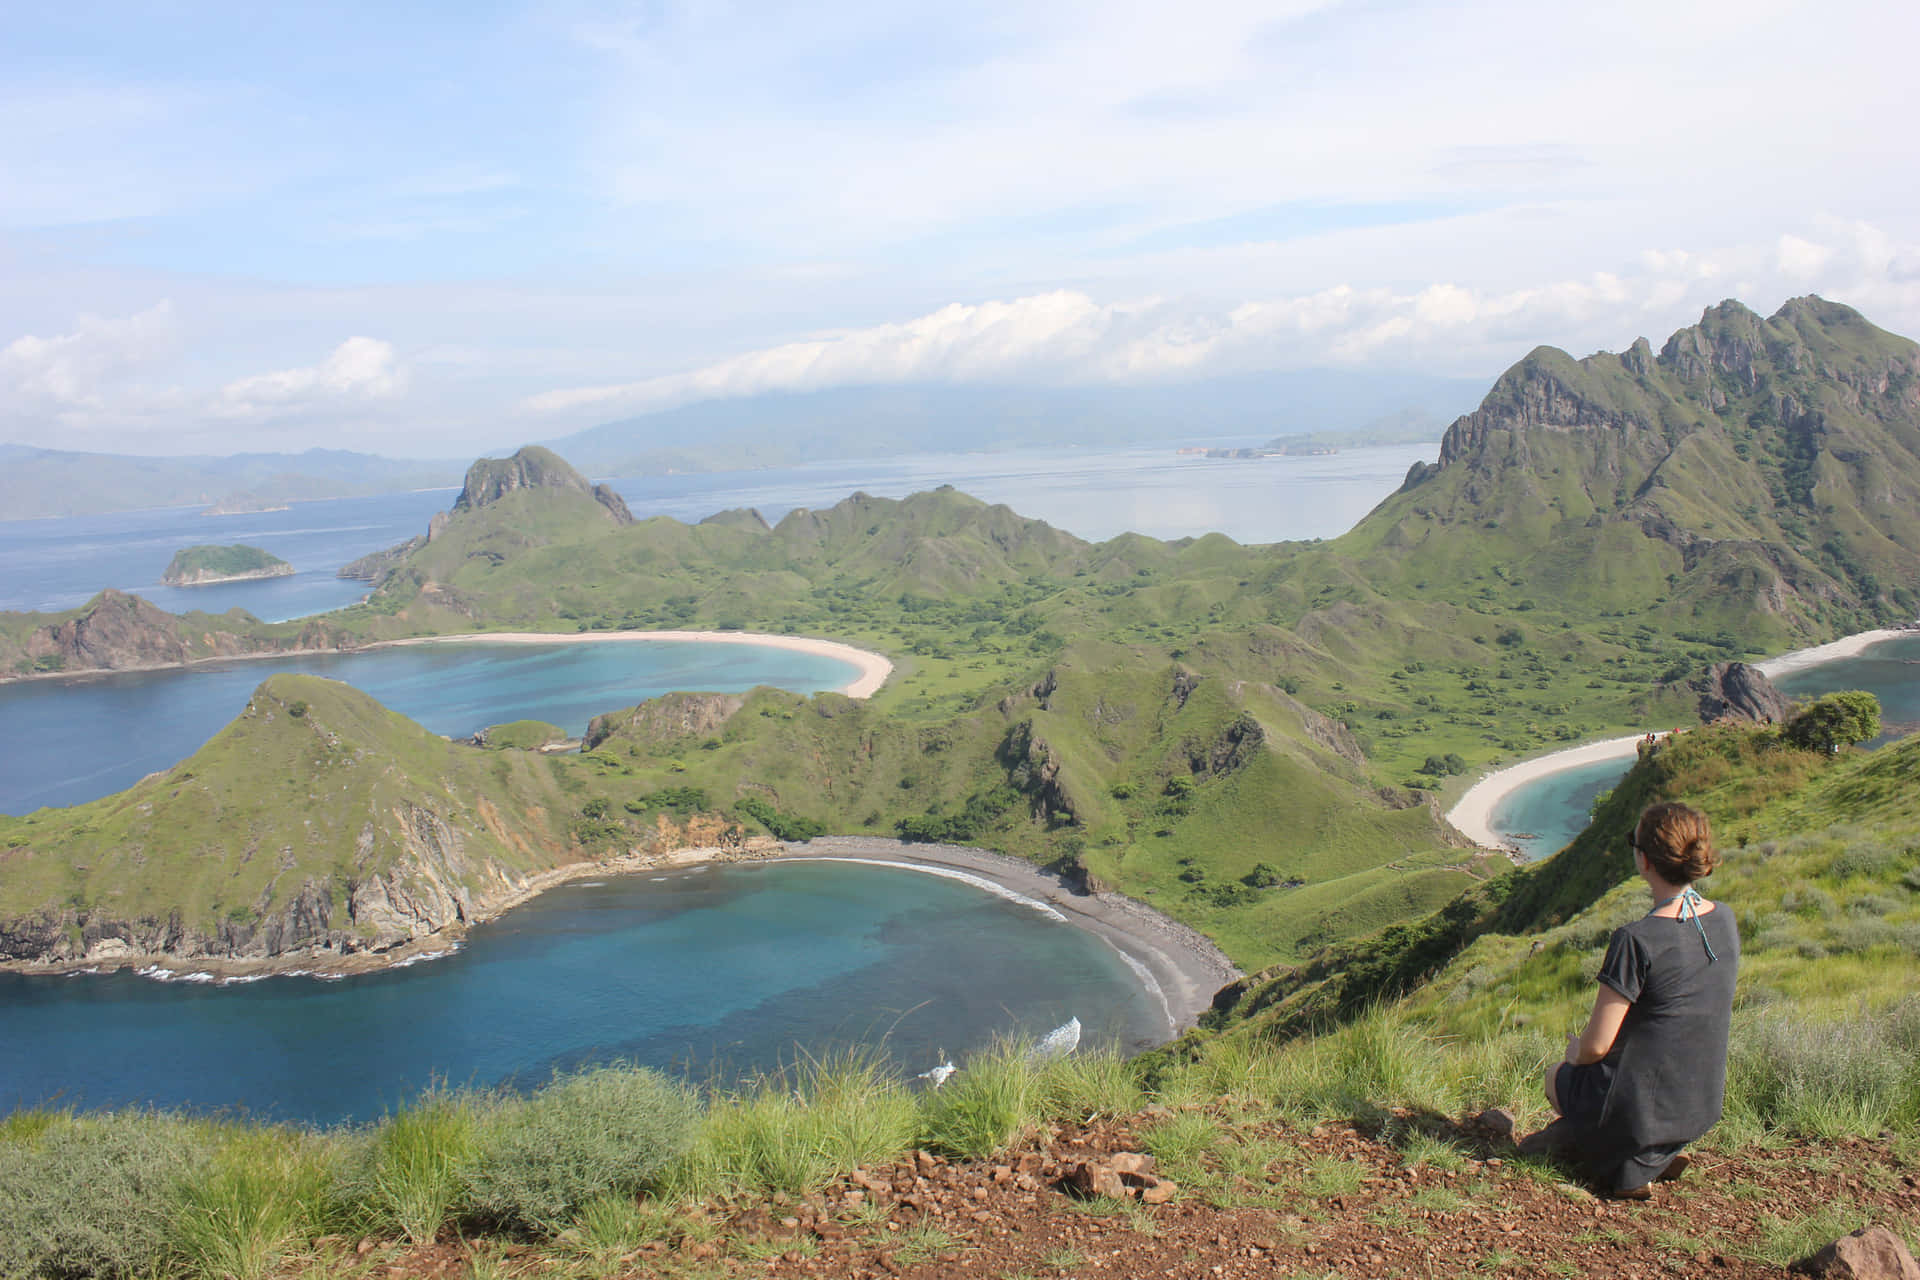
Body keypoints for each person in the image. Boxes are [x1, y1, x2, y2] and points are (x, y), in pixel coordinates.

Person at [1537, 801, 1740, 1197]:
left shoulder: (1636, 939)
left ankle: (1627, 1159)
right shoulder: (1725, 919)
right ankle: (1657, 1152)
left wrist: (1574, 1055)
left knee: (1557, 1076)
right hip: (1701, 1104)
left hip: (1639, 1109)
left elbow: (1596, 1047)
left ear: (1644, 860)